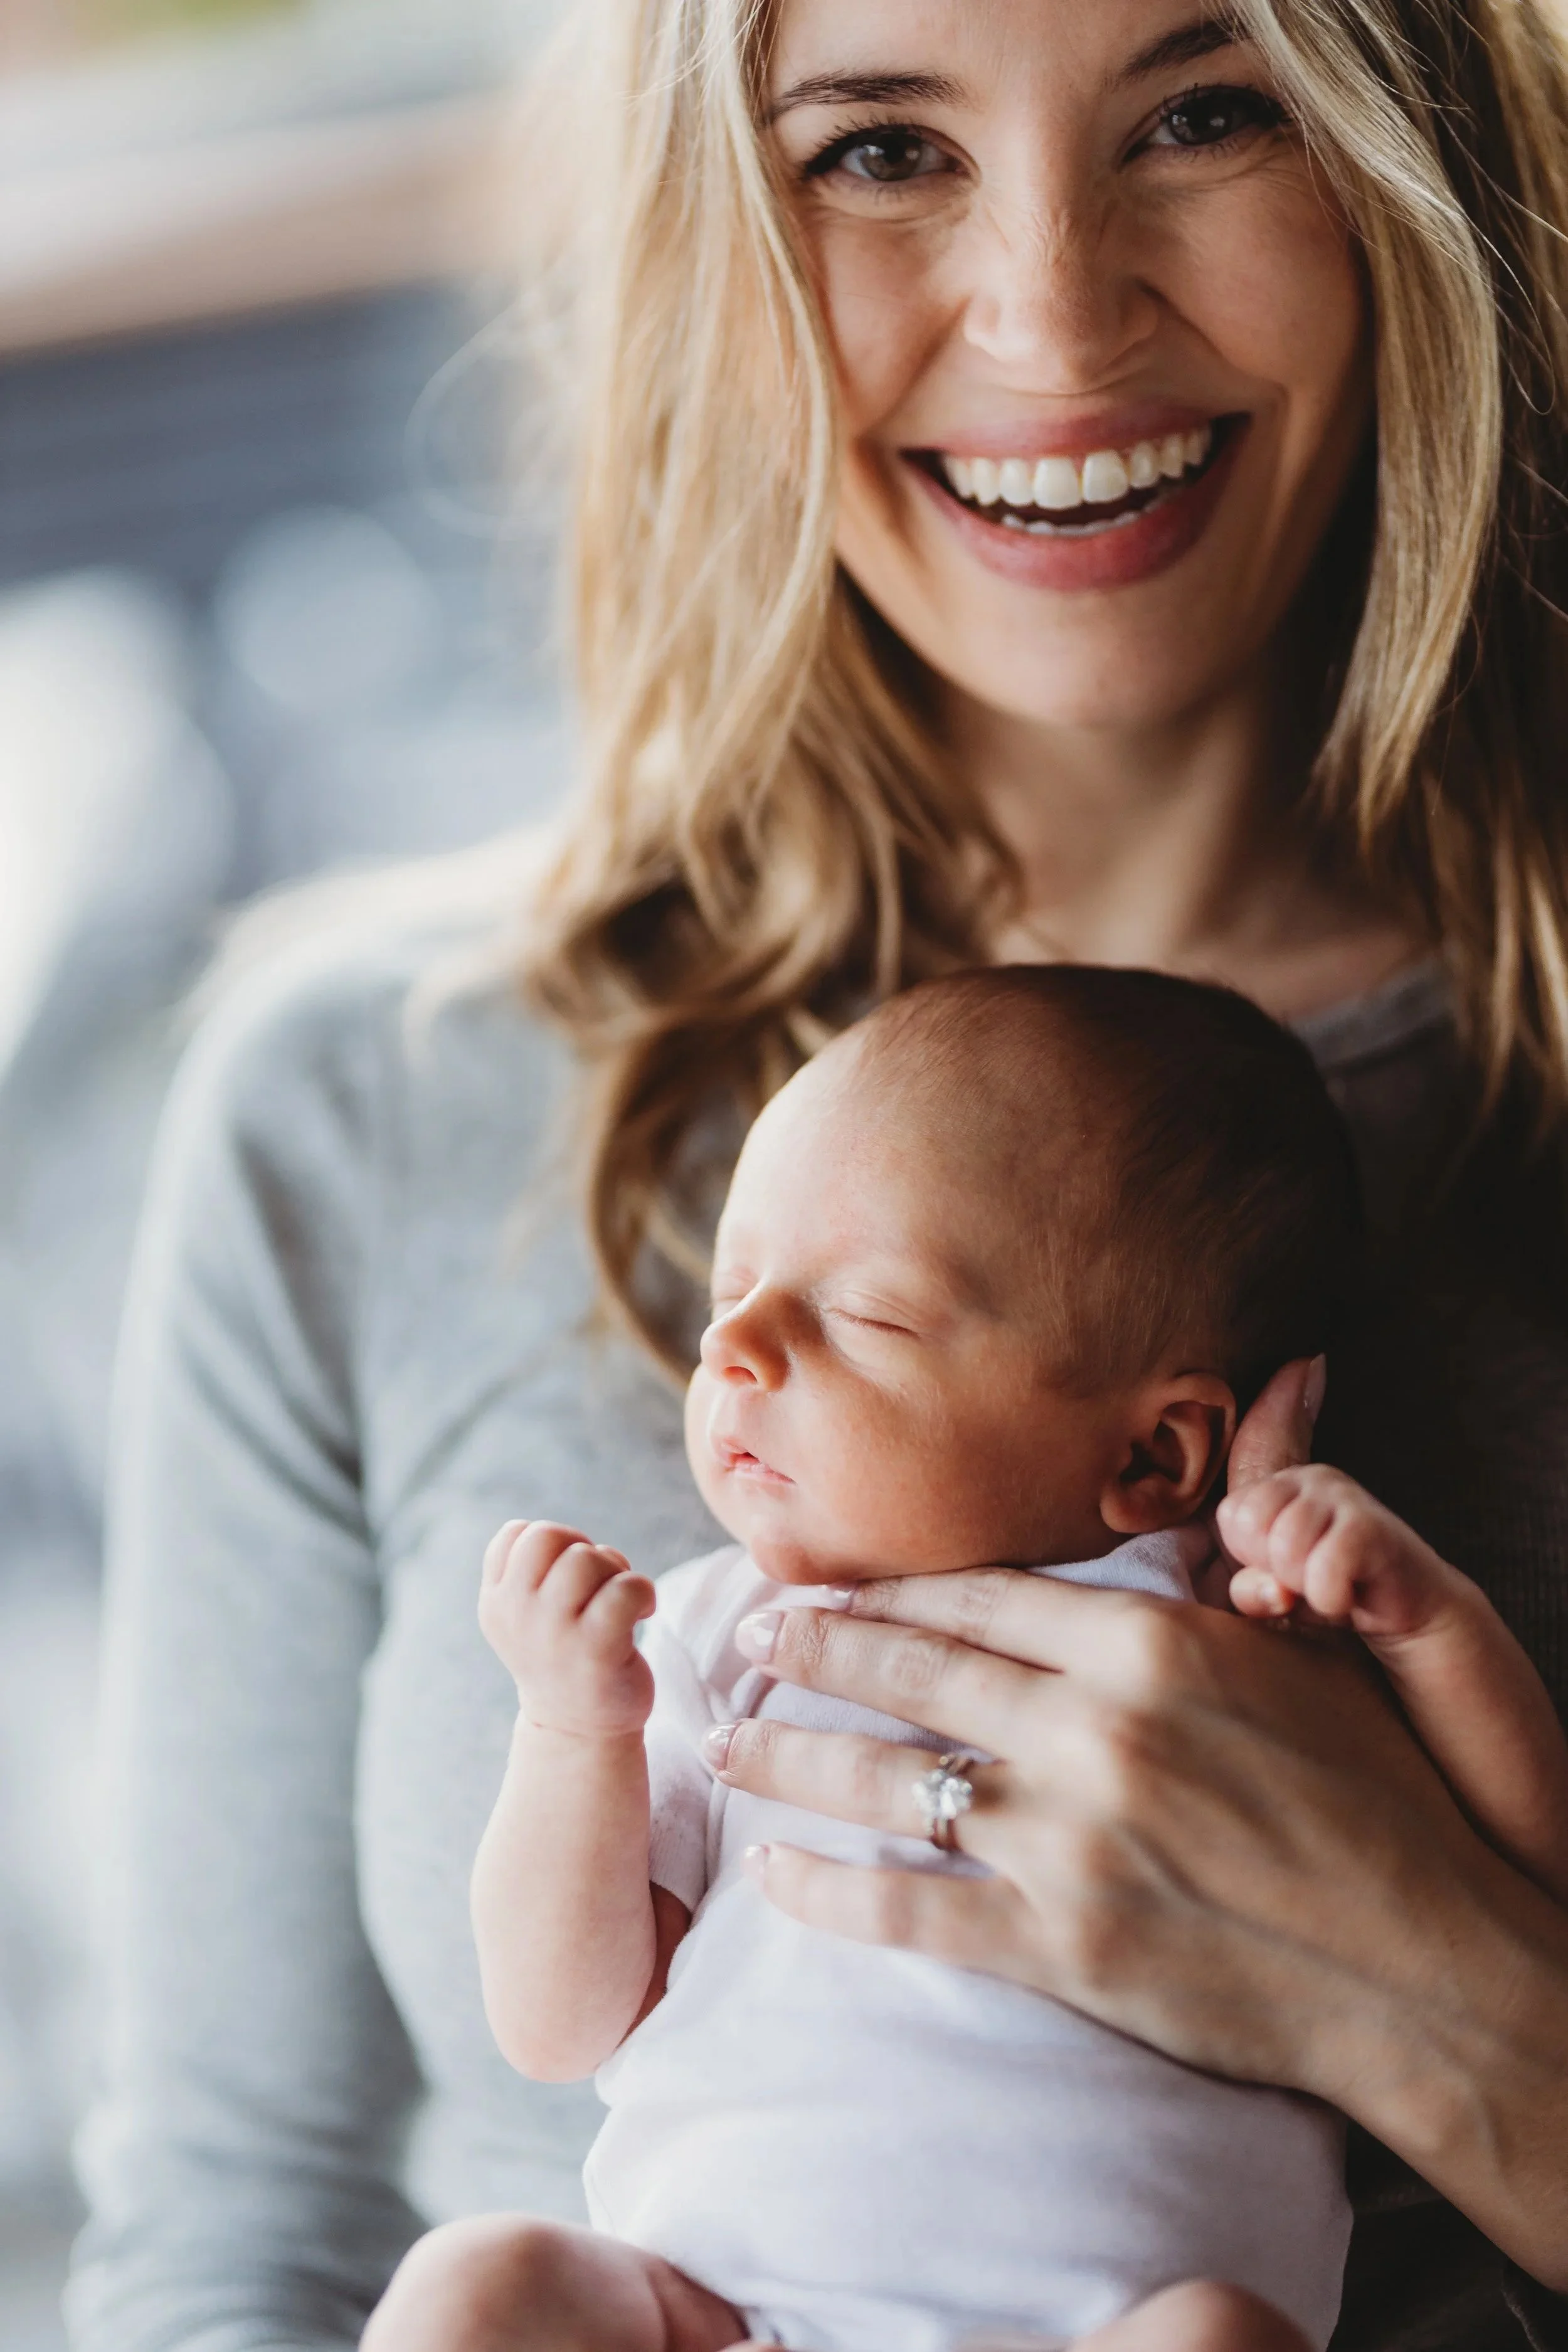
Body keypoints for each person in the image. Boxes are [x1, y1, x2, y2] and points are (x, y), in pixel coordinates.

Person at [66, 3, 1568, 2349]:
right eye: (876, 147)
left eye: (1205, 109)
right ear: (709, 239)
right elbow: (234, 2243)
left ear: (1414, 161)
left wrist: (1443, 1997)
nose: (1056, 316)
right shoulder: (354, 1104)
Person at [358, 968, 1568, 2352]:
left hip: (1097, 2328)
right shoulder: (710, 1634)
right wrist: (570, 1734)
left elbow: (1519, 1875)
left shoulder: (1240, 1640)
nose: (733, 1347)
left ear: (1149, 1453)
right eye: (733, 1289)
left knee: (1215, 2337)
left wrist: (1427, 1629)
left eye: (862, 1315)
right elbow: (560, 2026)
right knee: (480, 2289)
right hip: (722, 2317)